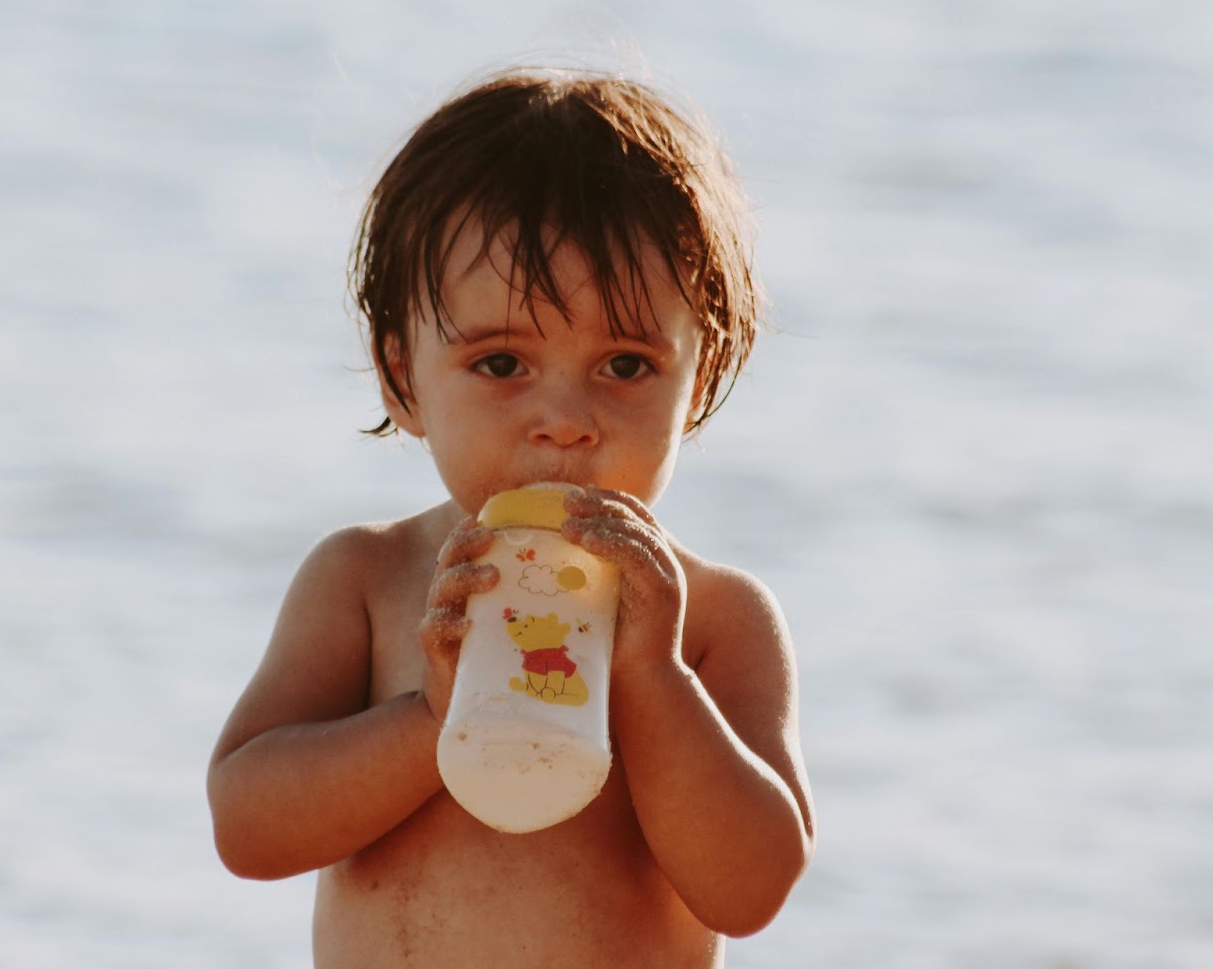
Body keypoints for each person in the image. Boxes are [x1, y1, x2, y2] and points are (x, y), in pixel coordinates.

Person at [207, 67, 815, 968]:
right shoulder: (367, 585)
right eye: (501, 365)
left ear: (702, 376)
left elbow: (753, 886)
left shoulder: (712, 621)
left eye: (625, 365)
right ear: (403, 378)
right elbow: (248, 828)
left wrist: (651, 677)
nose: (566, 421)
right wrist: (427, 721)